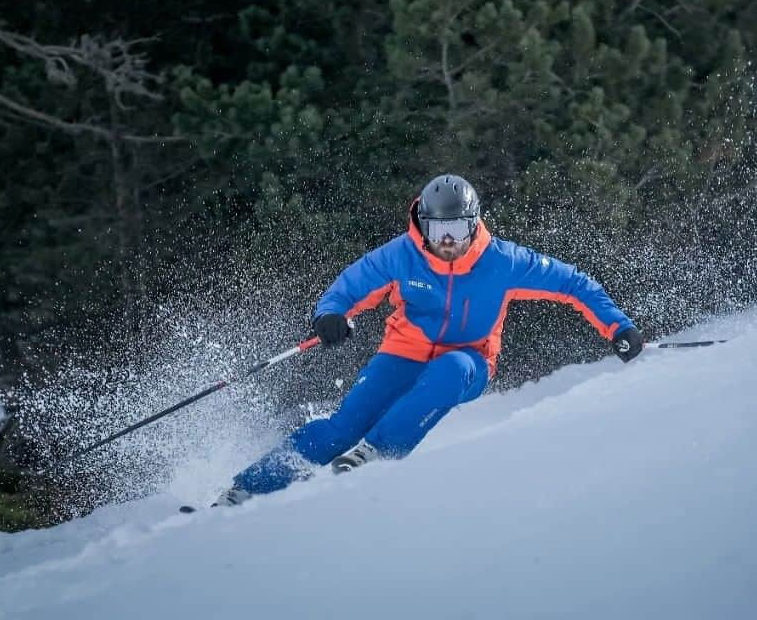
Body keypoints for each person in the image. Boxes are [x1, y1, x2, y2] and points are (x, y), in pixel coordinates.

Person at [215, 174, 642, 505]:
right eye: (439, 231)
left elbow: (575, 284)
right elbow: (349, 286)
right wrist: (331, 315)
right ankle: (244, 491)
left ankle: (378, 451)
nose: (448, 242)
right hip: (402, 355)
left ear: (474, 225)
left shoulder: (504, 262)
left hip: (470, 362)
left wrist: (617, 327)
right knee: (340, 429)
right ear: (423, 223)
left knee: (450, 369)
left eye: (457, 229)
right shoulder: (402, 255)